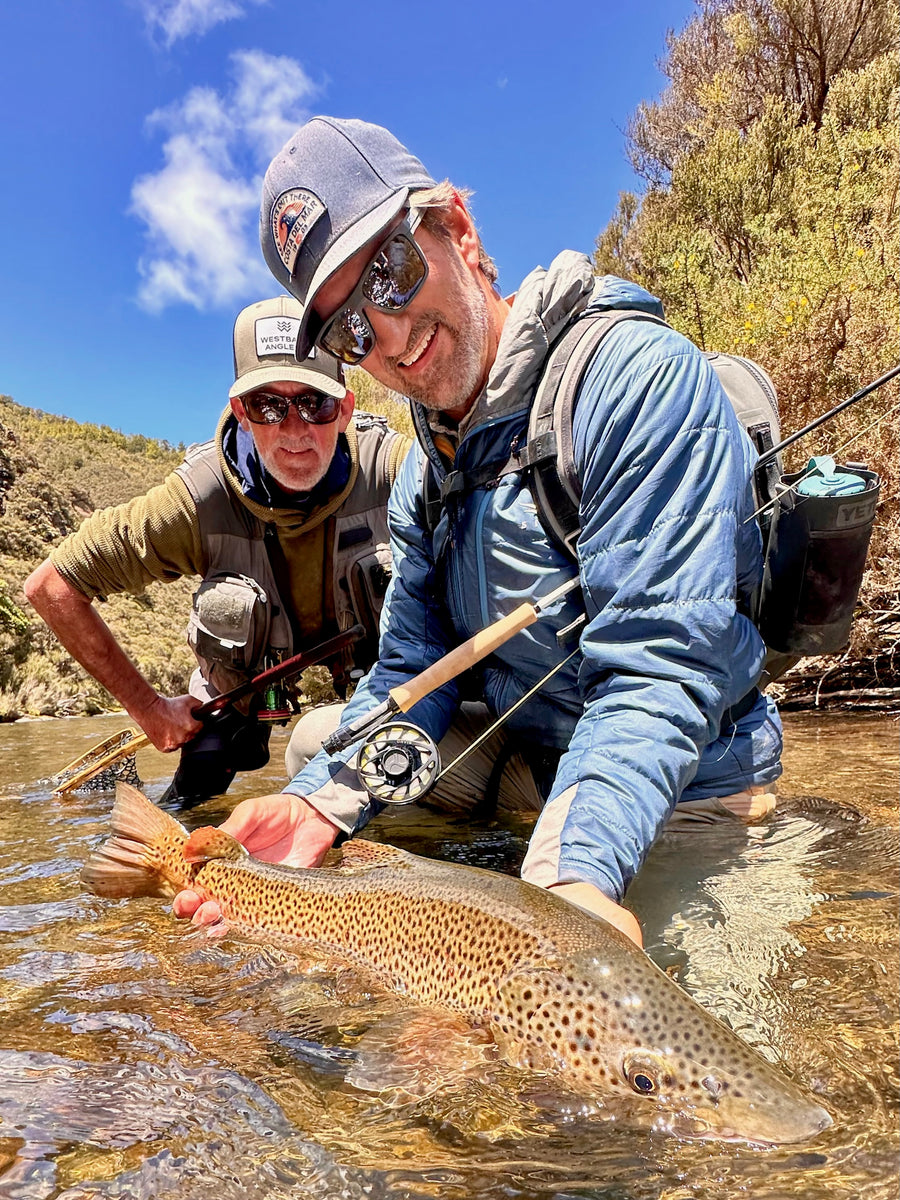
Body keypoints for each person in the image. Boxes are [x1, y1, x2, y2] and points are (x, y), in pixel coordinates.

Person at [174, 117, 783, 945]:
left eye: (390, 272)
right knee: (317, 752)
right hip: (533, 756)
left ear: (456, 227)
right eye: (350, 327)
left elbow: (657, 669)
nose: (389, 338)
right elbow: (411, 672)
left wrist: (568, 878)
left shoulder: (634, 382)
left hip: (687, 777)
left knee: (676, 1015)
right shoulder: (425, 477)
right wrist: (317, 803)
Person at [25, 295, 409, 804]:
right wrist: (150, 710)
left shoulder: (396, 470)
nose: (295, 429)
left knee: (394, 779)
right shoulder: (195, 503)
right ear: (242, 413)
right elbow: (51, 587)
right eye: (268, 405)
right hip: (241, 684)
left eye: (315, 403)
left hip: (379, 683)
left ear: (344, 409)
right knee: (200, 784)